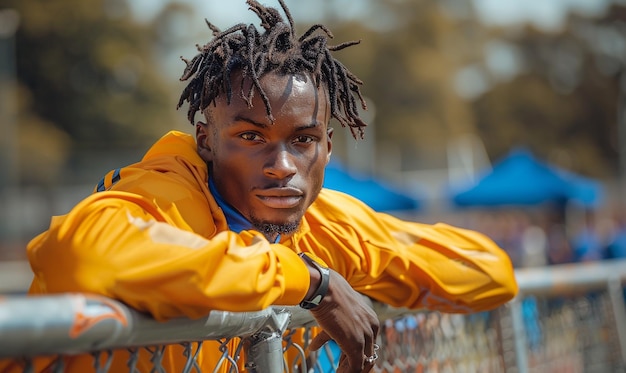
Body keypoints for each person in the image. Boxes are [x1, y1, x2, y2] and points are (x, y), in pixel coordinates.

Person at [2, 1, 517, 372]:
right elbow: (87, 259)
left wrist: (359, 275)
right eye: (251, 136)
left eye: (303, 139)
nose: (281, 165)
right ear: (206, 140)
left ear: (329, 148)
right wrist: (313, 284)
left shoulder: (328, 227)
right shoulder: (165, 193)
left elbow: (491, 273)